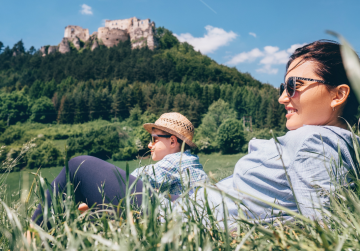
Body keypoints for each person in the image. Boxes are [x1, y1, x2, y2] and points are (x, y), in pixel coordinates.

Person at [32, 40, 360, 229]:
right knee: (90, 202)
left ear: (337, 94)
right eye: (282, 86)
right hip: (183, 208)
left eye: (295, 86)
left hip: (176, 216)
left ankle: (27, 239)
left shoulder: (318, 143)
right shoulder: (330, 144)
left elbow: (325, 226)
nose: (282, 97)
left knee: (79, 165)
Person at [32, 112, 207, 225]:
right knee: (94, 217)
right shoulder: (193, 165)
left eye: (154, 139)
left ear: (172, 141)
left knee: (78, 166)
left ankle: (31, 235)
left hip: (167, 217)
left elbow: (133, 181)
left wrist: (89, 193)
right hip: (178, 218)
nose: (149, 144)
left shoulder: (176, 162)